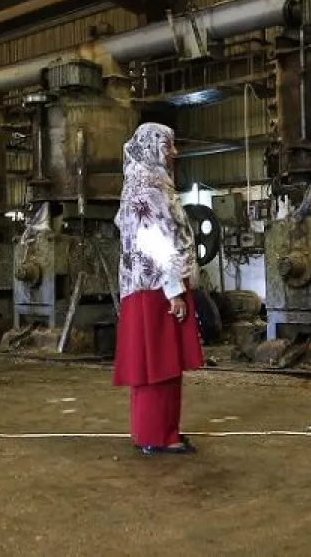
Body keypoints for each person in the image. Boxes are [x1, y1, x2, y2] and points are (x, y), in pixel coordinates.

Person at [112, 123, 204, 456]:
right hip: (156, 289)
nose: (174, 153)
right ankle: (159, 435)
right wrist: (173, 288)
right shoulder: (148, 187)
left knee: (156, 364)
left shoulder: (141, 182)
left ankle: (161, 432)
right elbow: (154, 240)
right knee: (159, 364)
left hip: (147, 288)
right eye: (167, 146)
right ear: (151, 146)